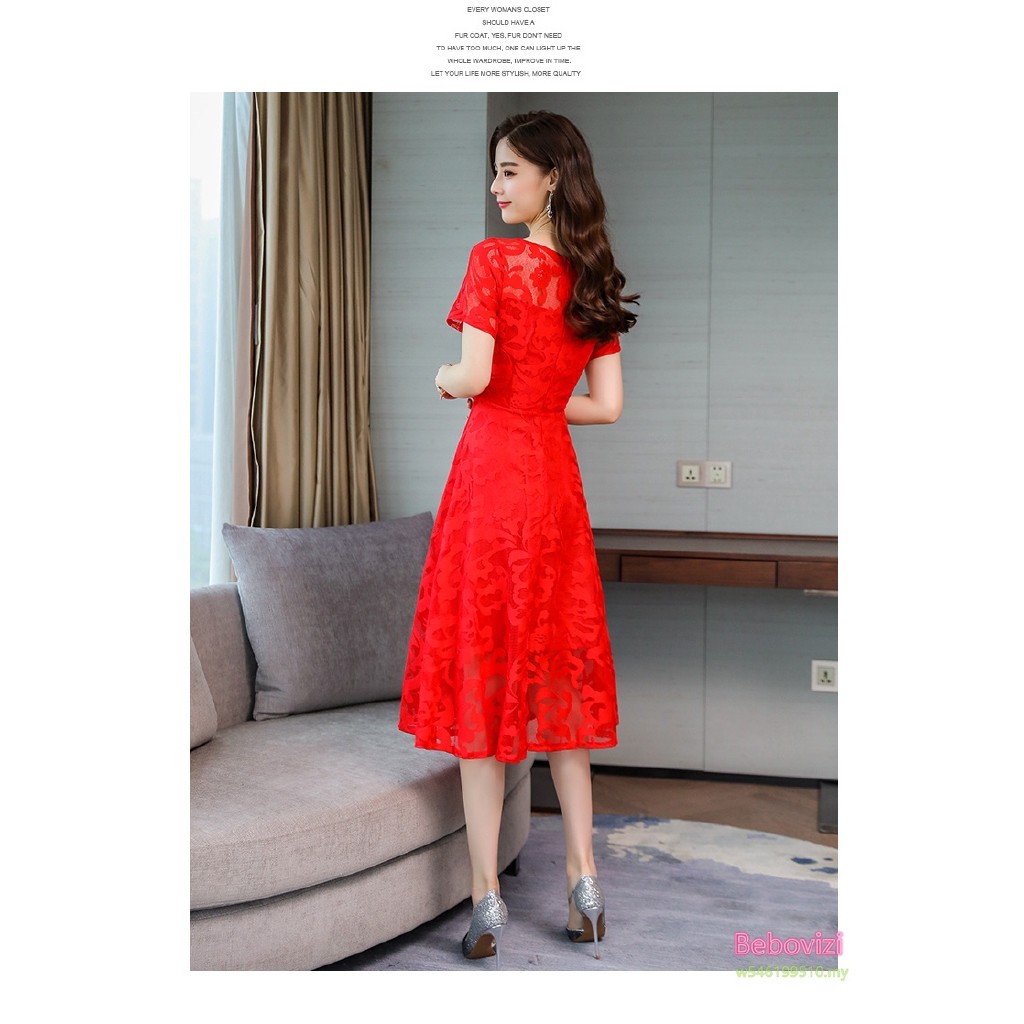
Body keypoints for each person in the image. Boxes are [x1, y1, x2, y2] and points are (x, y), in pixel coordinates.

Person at [398, 110, 638, 967]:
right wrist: (540, 402)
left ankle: (486, 900)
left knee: (482, 677)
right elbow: (607, 406)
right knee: (558, 683)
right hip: (554, 486)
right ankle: (584, 881)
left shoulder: (494, 262)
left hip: (494, 482)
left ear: (550, 178)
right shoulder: (591, 278)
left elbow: (474, 373)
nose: (496, 187)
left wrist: (444, 379)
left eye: (508, 171)